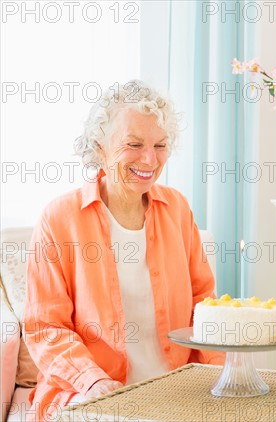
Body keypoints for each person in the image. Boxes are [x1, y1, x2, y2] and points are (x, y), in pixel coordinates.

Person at [24, 80, 224, 421]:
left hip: (173, 386)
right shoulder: (58, 218)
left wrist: (222, 376)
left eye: (160, 145)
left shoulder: (176, 208)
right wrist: (92, 381)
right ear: (100, 147)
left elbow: (203, 304)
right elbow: (45, 327)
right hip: (87, 390)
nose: (150, 159)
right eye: (134, 144)